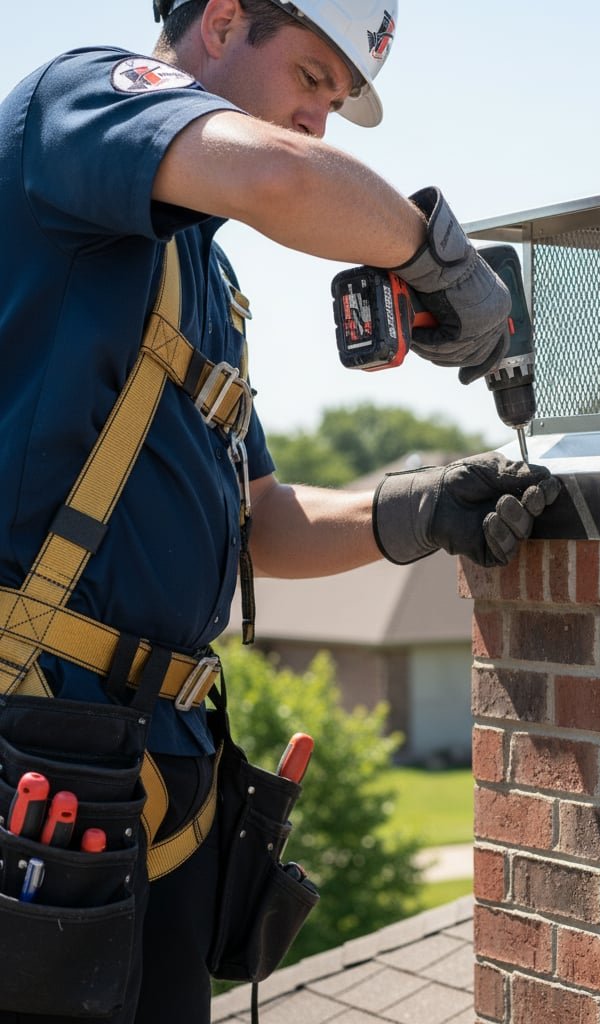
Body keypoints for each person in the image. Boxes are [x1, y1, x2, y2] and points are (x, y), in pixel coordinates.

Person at [0, 1, 559, 1021]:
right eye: (310, 79)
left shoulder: (203, 278)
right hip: (32, 746)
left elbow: (259, 521)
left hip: (158, 768)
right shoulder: (74, 101)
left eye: (336, 103)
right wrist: (433, 252)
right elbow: (278, 177)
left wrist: (418, 510)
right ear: (219, 21)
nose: (317, 125)